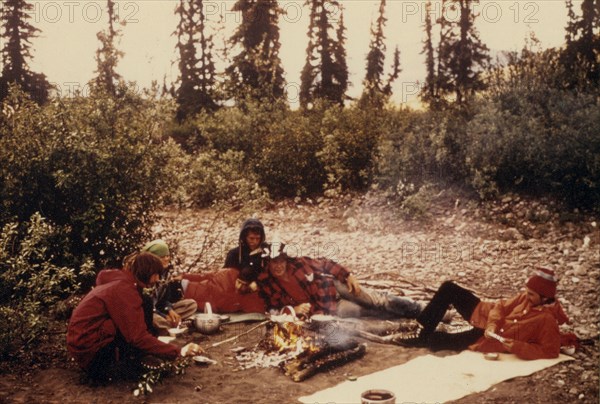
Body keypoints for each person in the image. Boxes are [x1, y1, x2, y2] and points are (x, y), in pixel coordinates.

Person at [67, 252, 202, 382]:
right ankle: (127, 362)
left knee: (146, 301)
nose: (158, 279)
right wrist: (179, 351)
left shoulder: (123, 282)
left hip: (84, 346)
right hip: (91, 354)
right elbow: (137, 337)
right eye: (156, 274)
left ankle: (140, 355)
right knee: (139, 355)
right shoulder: (123, 290)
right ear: (146, 271)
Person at [394, 267, 569, 360]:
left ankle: (427, 337)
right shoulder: (526, 297)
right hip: (484, 315)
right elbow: (500, 306)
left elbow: (550, 351)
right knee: (449, 288)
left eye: (531, 294)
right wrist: (492, 323)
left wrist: (516, 347)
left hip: (485, 338)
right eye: (527, 292)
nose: (526, 295)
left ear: (545, 298)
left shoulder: (547, 320)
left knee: (436, 341)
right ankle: (421, 332)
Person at [257, 244, 422, 319]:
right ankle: (410, 317)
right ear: (267, 263)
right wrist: (294, 309)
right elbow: (272, 310)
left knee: (376, 300)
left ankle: (420, 309)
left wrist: (347, 275)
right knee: (366, 312)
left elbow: (326, 263)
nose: (278, 266)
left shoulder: (299, 263)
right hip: (328, 308)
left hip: (334, 287)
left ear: (286, 260)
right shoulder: (266, 283)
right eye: (273, 262)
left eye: (280, 261)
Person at [141, 240, 197, 335]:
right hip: (149, 313)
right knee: (155, 319)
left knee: (191, 304)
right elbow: (147, 307)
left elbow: (164, 300)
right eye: (162, 257)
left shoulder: (165, 274)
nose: (166, 259)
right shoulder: (146, 275)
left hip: (160, 310)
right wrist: (163, 315)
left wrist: (169, 310)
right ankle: (171, 327)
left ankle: (170, 325)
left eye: (167, 256)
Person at [224, 218, 267, 292]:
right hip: (238, 290)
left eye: (258, 238)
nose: (255, 242)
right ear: (244, 237)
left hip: (262, 289)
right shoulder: (234, 254)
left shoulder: (266, 251)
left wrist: (258, 283)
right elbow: (227, 276)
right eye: (251, 238)